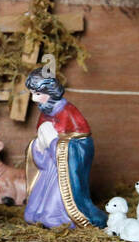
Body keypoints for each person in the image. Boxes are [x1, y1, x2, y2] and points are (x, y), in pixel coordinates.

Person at [22, 69, 107, 229]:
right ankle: (38, 213)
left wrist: (55, 142)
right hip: (49, 167)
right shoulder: (45, 111)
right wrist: (38, 144)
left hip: (64, 171)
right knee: (32, 213)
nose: (34, 99)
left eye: (38, 93)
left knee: (52, 215)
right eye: (32, 93)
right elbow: (40, 140)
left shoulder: (68, 111)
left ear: (50, 91)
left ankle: (58, 215)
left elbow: (82, 143)